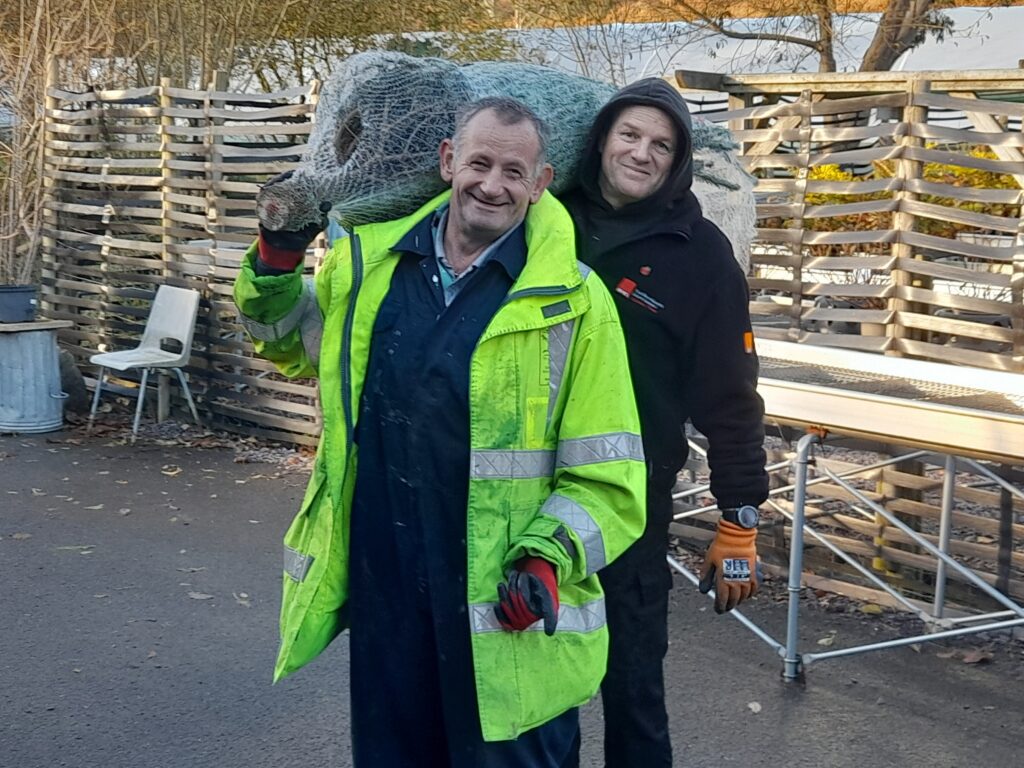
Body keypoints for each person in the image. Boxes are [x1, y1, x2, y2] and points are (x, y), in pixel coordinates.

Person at [234, 97, 646, 767]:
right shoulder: (369, 268)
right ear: (448, 161)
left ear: (540, 184)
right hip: (386, 591)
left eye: (514, 172)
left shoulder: (574, 301)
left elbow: (611, 471)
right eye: (479, 162)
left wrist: (548, 556)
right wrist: (276, 257)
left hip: (502, 606)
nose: (492, 184)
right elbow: (285, 343)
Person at [560, 78, 770, 767]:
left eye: (662, 144)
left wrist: (738, 518)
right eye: (630, 135)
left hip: (629, 505)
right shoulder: (544, 220)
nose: (642, 153)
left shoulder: (698, 254)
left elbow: (731, 398)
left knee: (632, 689)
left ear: (677, 161)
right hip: (522, 490)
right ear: (601, 139)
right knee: (524, 683)